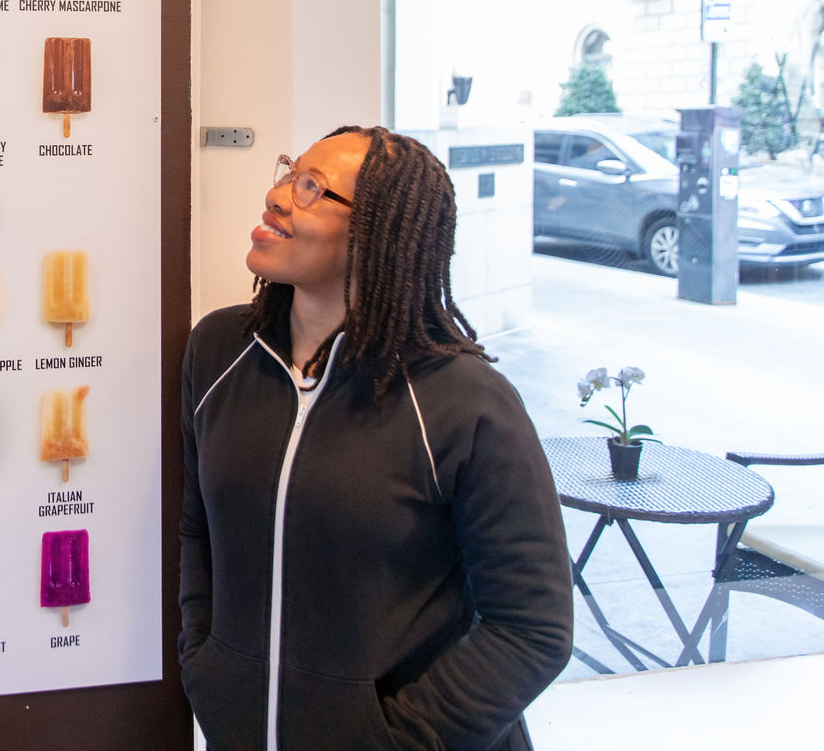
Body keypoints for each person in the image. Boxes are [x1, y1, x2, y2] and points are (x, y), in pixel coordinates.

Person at [180, 126, 573, 751]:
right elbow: (197, 528)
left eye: (311, 189)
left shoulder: (463, 400)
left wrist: (399, 740)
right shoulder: (219, 351)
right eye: (289, 173)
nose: (277, 196)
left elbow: (532, 626)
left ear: (379, 236)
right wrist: (206, 666)